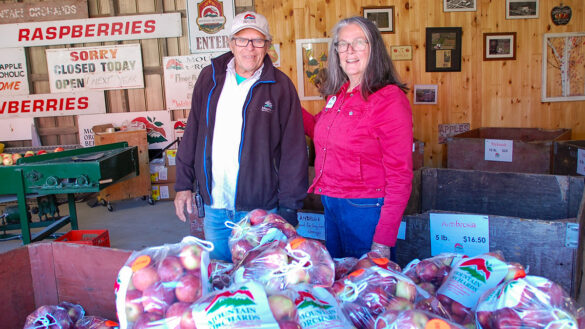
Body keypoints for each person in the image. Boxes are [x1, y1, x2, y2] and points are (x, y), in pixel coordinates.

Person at [174, 11, 308, 262]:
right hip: (215, 205)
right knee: (220, 277)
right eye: (242, 40)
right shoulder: (210, 78)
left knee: (260, 278)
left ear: (267, 46)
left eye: (258, 41)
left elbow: (294, 151)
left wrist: (289, 207)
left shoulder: (280, 87)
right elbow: (193, 130)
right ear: (231, 43)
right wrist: (183, 184)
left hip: (260, 210)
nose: (250, 48)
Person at [306, 16, 413, 260]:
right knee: (340, 284)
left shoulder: (389, 99)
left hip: (364, 209)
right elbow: (319, 130)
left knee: (366, 289)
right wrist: (287, 103)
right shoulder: (340, 95)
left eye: (358, 42)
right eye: (342, 44)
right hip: (332, 202)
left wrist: (383, 240)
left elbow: (400, 176)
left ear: (373, 48)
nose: (349, 50)